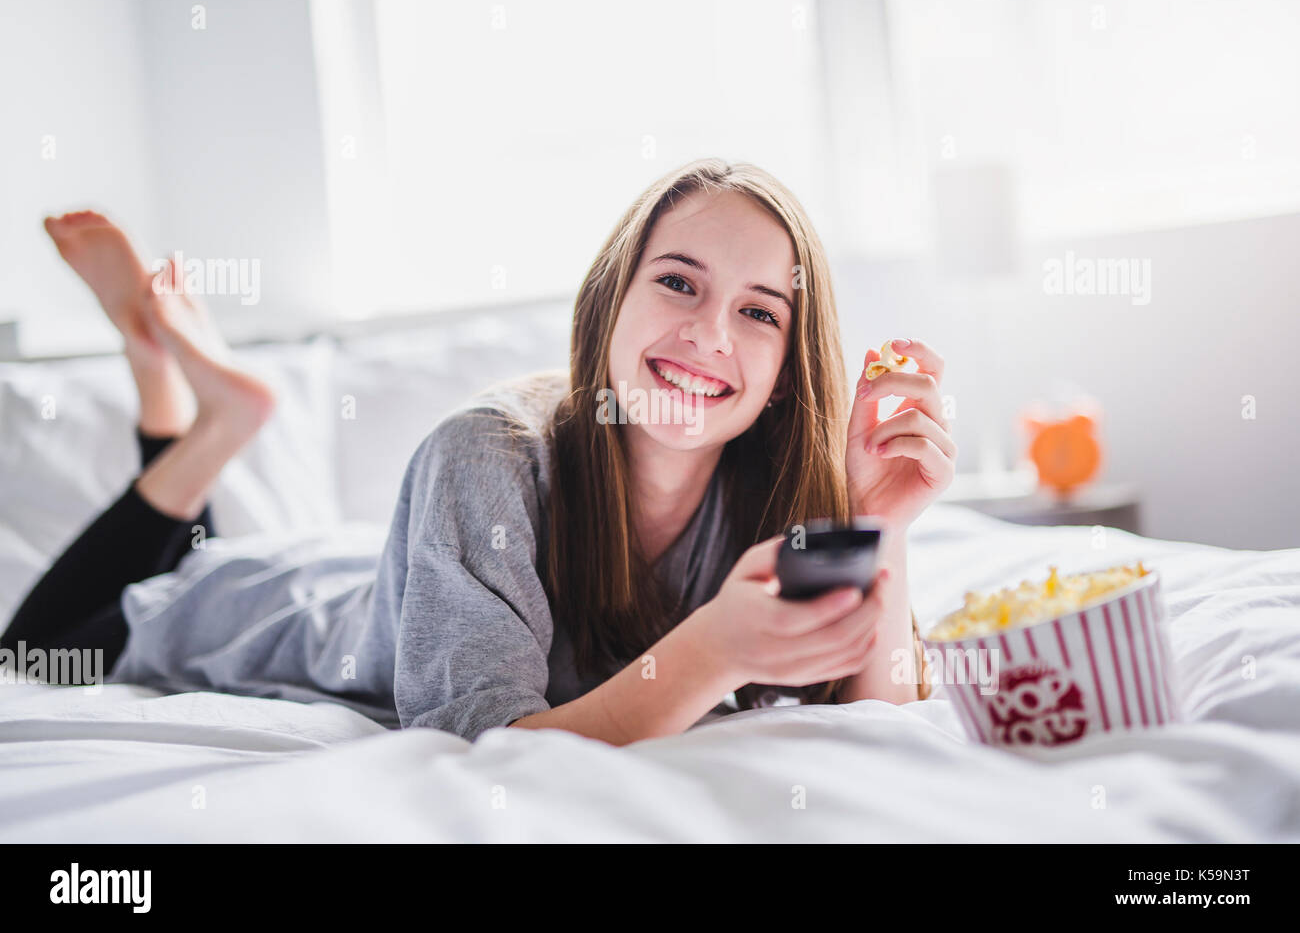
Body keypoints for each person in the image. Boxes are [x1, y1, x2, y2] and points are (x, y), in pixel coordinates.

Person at [3, 159, 954, 745]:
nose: (711, 334)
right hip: (247, 609)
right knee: (32, 648)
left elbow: (874, 714)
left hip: (370, 569)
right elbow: (484, 741)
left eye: (758, 312)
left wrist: (883, 525)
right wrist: (708, 656)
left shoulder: (782, 488)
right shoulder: (485, 457)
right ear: (608, 302)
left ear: (788, 371)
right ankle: (212, 420)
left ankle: (170, 382)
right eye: (677, 283)